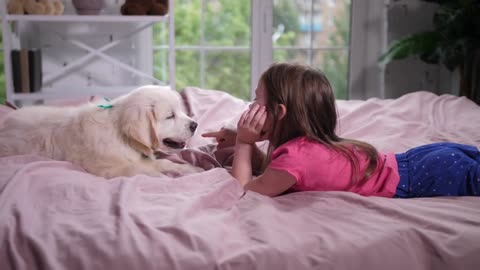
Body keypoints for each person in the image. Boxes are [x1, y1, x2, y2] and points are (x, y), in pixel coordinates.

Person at [202, 62, 480, 198]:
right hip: (422, 160)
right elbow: (273, 171)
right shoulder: (302, 147)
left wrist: (244, 145)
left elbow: (245, 190)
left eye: (257, 100)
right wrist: (245, 143)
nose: (251, 106)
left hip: (429, 175)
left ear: (280, 112)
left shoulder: (296, 158)